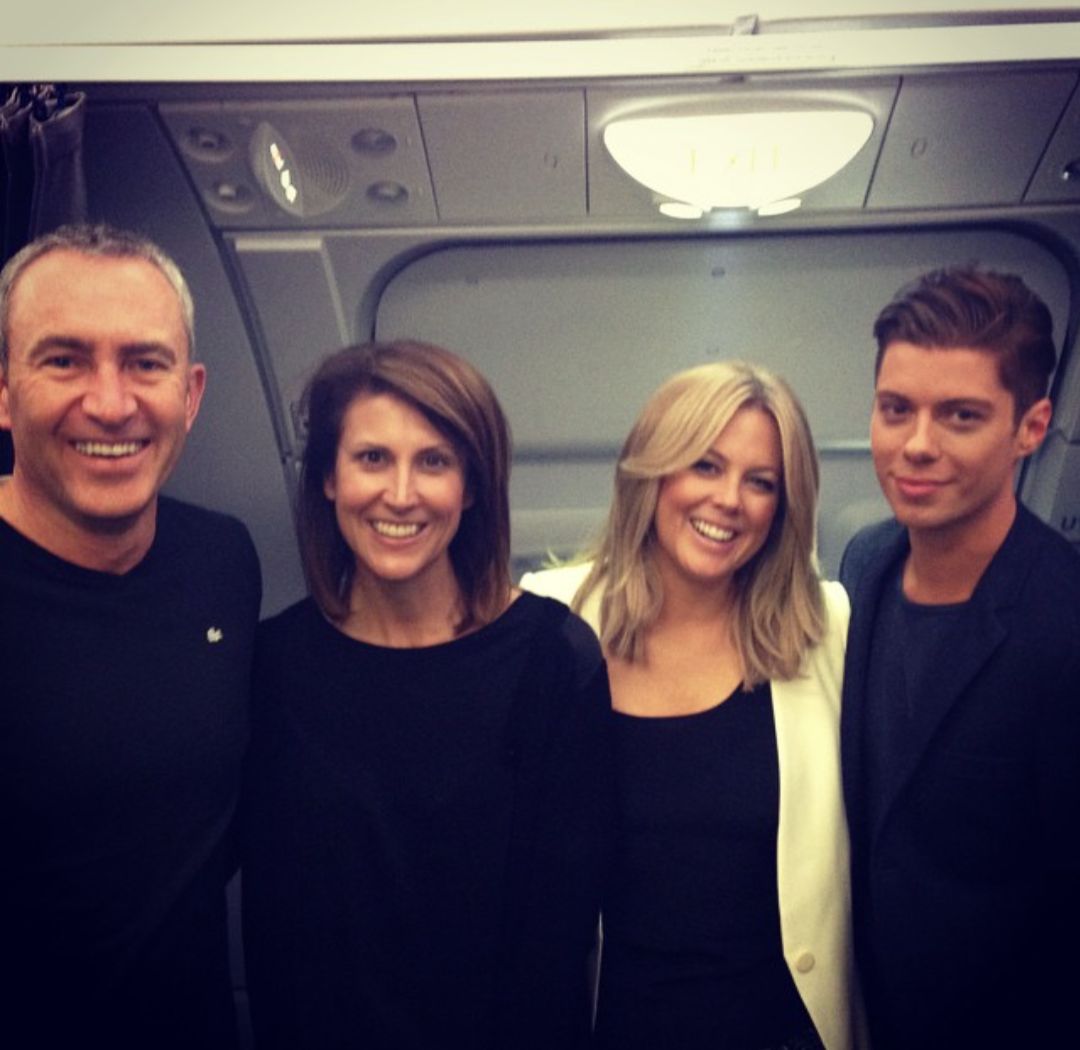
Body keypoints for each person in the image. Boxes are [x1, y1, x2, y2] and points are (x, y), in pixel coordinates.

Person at [241, 340, 612, 1050]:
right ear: (328, 478)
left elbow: (560, 940)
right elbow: (281, 939)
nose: (401, 493)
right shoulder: (275, 668)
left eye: (434, 462)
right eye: (372, 458)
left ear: (471, 487)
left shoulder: (551, 660)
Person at [522, 360, 859, 1050]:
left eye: (761, 482)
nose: (730, 499)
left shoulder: (827, 629)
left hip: (781, 1032)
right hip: (617, 1027)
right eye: (705, 465)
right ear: (651, 472)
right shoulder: (553, 622)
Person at [0, 224, 261, 1048]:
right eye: (63, 360)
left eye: (145, 363)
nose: (111, 403)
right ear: (3, 391)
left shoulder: (221, 560)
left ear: (191, 394)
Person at [840, 266, 1080, 1050]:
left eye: (961, 416)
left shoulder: (1064, 622)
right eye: (896, 409)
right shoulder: (866, 563)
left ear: (1031, 428)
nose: (917, 445)